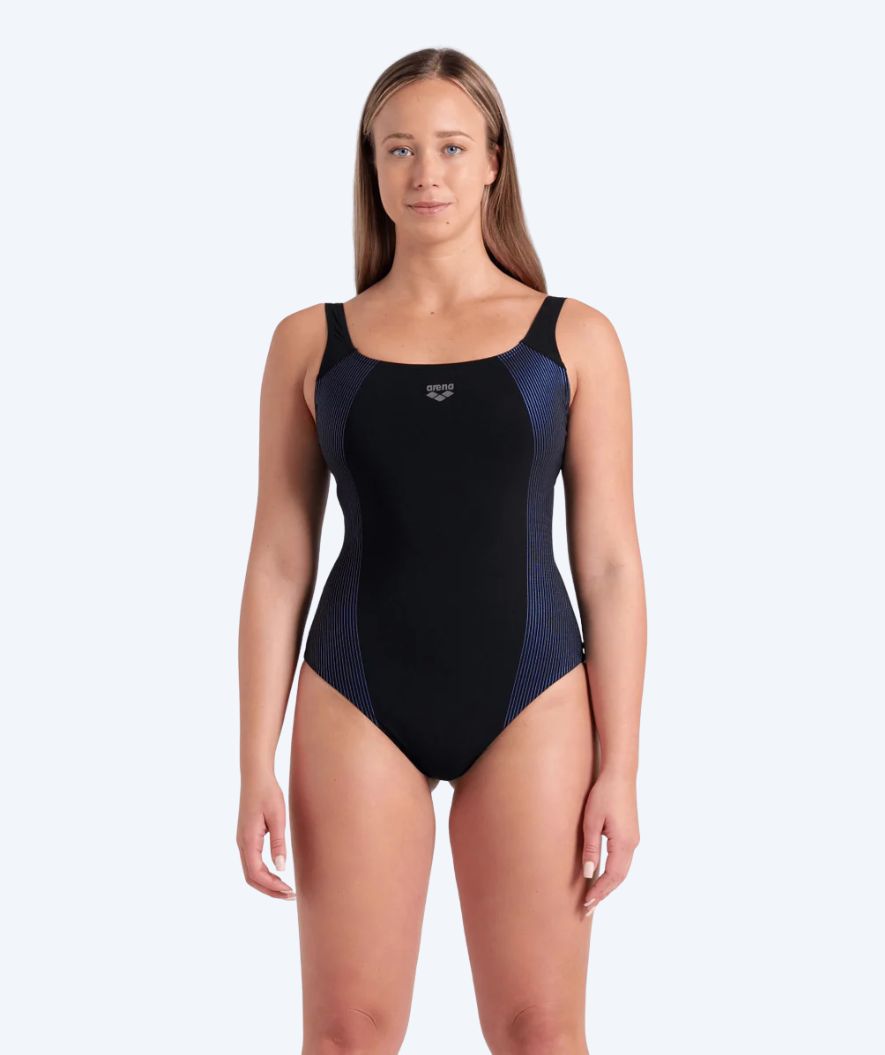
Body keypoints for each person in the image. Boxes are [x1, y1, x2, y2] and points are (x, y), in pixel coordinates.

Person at [237, 46, 646, 1055]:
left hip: (535, 694)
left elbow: (609, 563)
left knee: (540, 1032)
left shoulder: (572, 338)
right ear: (371, 167)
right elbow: (280, 559)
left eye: (453, 147)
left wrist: (622, 769)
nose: (426, 173)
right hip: (354, 692)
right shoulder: (311, 341)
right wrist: (253, 761)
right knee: (346, 1035)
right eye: (400, 149)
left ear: (495, 162)